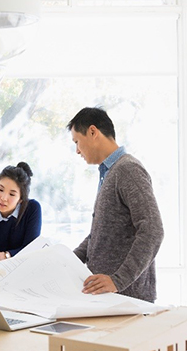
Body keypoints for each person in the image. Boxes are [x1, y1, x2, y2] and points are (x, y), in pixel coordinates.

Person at [67, 107, 164, 303]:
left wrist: (118, 280)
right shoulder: (110, 172)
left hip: (127, 299)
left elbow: (153, 230)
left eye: (77, 142)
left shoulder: (127, 170)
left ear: (93, 132)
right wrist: (69, 259)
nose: (77, 150)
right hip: (109, 298)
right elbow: (102, 232)